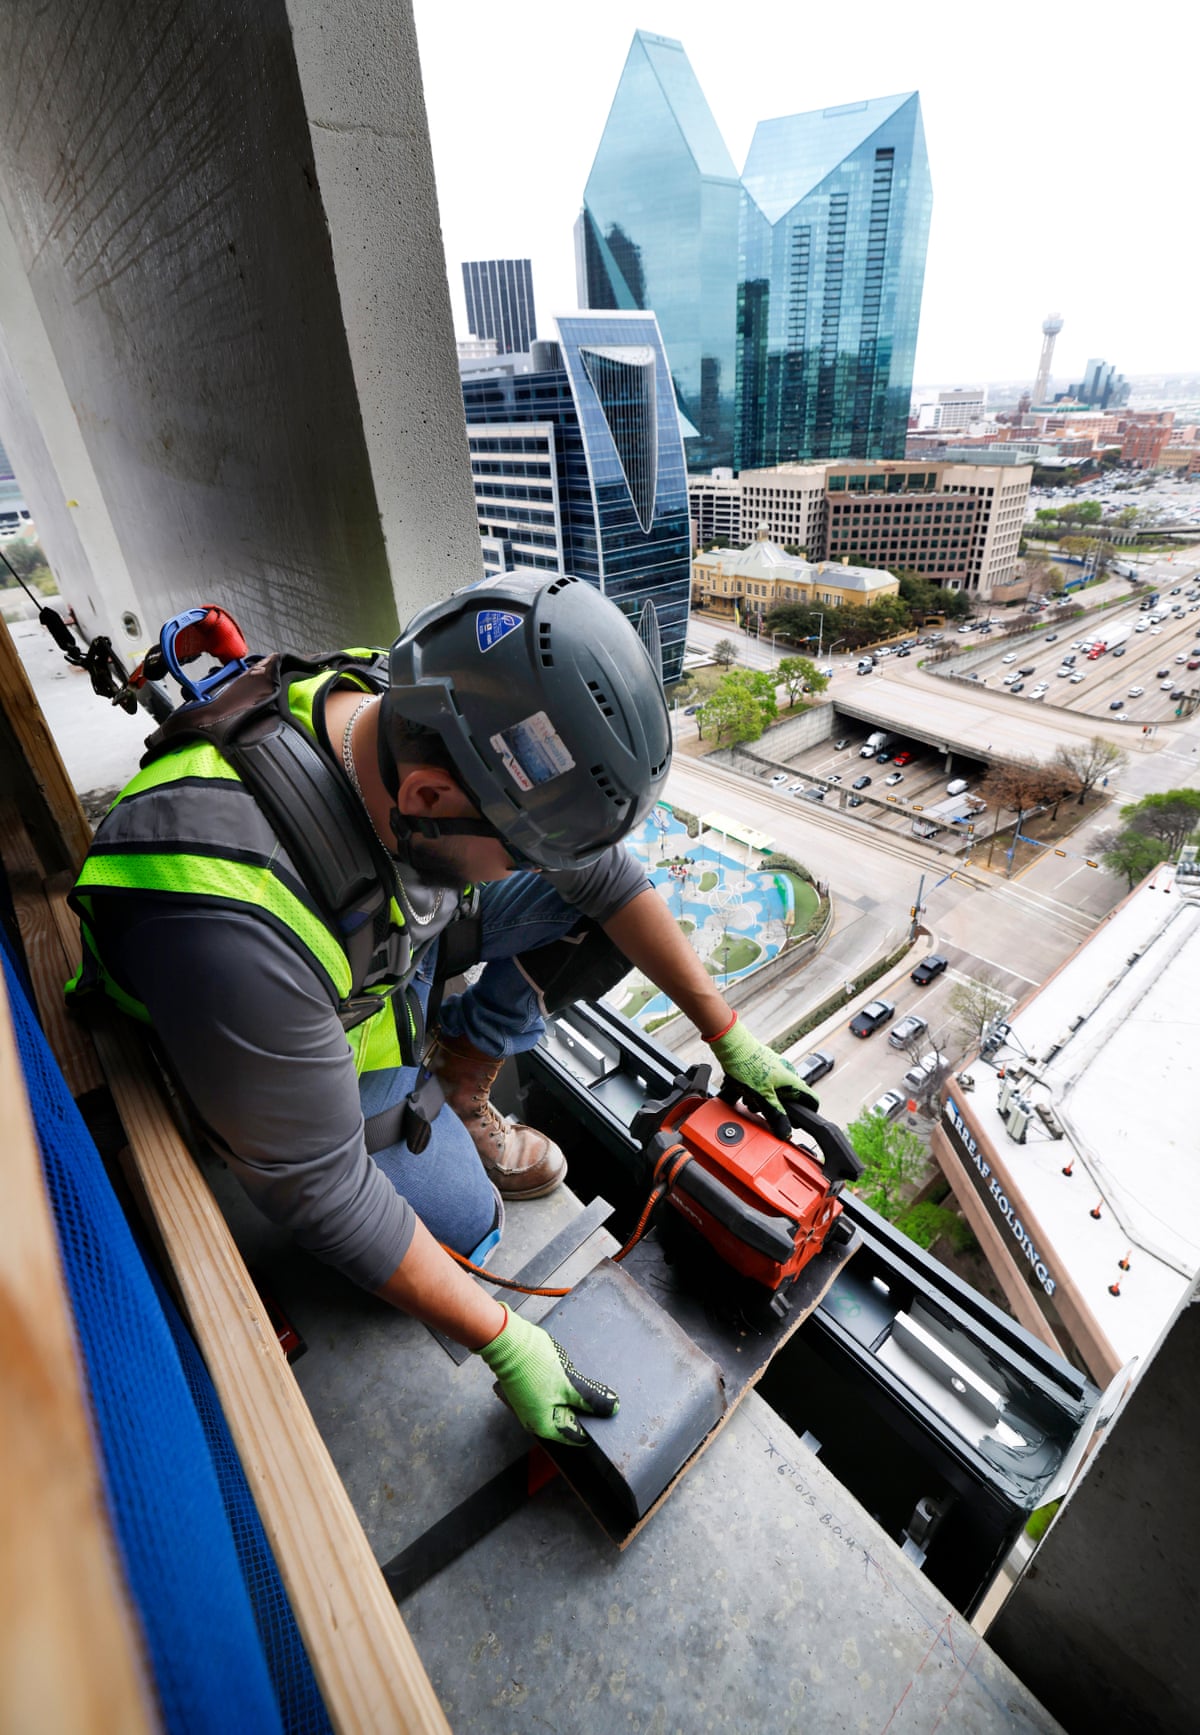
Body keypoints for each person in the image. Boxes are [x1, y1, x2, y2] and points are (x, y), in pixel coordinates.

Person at [69, 574, 814, 1445]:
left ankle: (458, 1073)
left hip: (371, 942)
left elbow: (603, 880)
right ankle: (413, 1091)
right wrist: (503, 1337)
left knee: (596, 917)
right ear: (426, 799)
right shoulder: (231, 923)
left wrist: (728, 1033)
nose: (528, 868)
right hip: (255, 1038)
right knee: (468, 1224)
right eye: (522, 850)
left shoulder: (396, 707)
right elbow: (320, 1187)